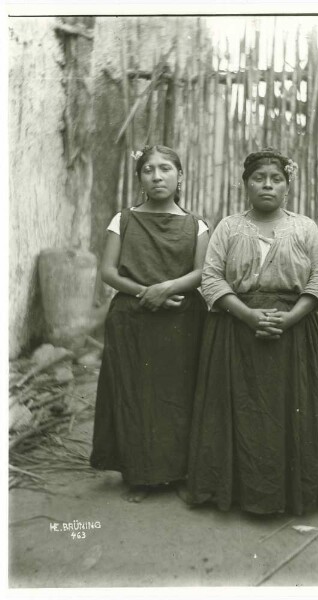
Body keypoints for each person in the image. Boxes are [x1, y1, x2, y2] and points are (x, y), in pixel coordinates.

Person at [187, 147, 318, 515]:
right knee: (239, 412)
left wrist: (289, 320)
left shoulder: (304, 227)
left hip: (293, 336)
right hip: (234, 331)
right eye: (258, 178)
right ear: (245, 184)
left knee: (289, 411)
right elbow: (211, 278)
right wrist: (246, 315)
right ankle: (237, 491)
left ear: (287, 187)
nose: (267, 185)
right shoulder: (228, 227)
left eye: (276, 179)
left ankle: (291, 492)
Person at [90, 144, 209, 503]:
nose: (157, 176)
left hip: (181, 320)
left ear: (180, 176)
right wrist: (146, 292)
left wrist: (167, 288)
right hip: (132, 319)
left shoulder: (197, 225)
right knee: (136, 395)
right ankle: (140, 474)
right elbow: (108, 271)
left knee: (178, 395)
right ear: (140, 177)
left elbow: (203, 272)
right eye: (148, 170)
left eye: (166, 169)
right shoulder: (123, 219)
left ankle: (177, 472)